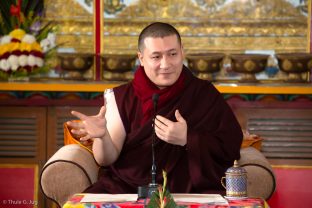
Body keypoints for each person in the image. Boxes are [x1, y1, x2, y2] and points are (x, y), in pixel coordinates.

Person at [67, 22, 243, 194]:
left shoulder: (204, 93)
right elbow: (105, 160)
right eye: (156, 57)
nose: (166, 64)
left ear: (182, 52)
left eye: (172, 54)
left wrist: (188, 138)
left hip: (189, 190)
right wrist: (103, 137)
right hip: (129, 189)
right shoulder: (121, 97)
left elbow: (230, 145)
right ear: (141, 58)